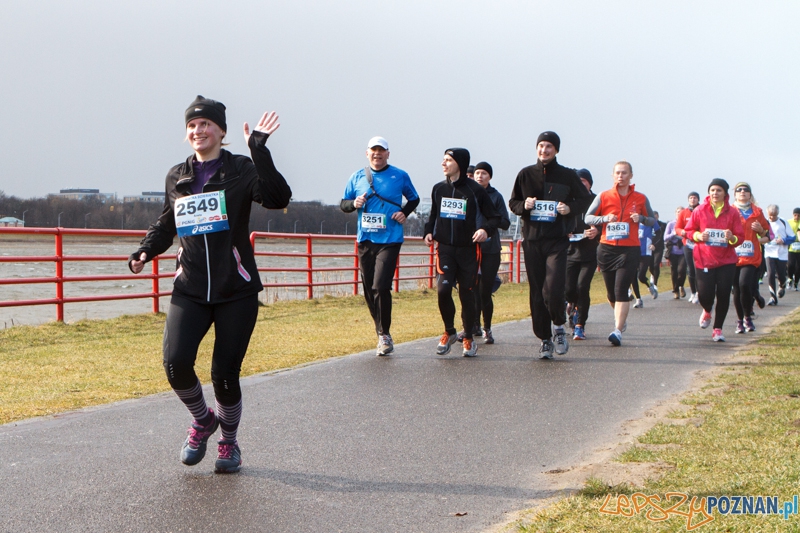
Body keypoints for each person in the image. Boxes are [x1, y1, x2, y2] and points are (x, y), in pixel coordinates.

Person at [128, 96, 292, 473]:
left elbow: (278, 197)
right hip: (190, 287)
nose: (197, 131)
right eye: (191, 126)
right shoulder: (177, 175)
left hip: (235, 288)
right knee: (176, 363)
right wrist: (145, 251)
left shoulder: (241, 169)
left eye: (205, 125)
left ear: (221, 131)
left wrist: (259, 151)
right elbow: (167, 224)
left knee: (223, 374)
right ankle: (203, 420)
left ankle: (229, 443)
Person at [508, 131, 591, 359]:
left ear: (556, 150)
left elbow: (586, 199)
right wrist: (524, 205)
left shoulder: (567, 175)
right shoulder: (525, 174)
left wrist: (570, 209)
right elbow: (512, 202)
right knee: (537, 292)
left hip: (557, 240)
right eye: (541, 146)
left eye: (549, 147)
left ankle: (559, 327)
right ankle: (544, 339)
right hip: (532, 240)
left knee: (553, 289)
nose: (544, 150)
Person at [340, 137, 420, 356]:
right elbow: (343, 203)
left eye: (381, 151)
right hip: (365, 239)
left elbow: (414, 198)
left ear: (388, 154)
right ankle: (380, 331)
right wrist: (353, 204)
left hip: (390, 239)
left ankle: (384, 334)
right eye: (374, 151)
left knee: (380, 285)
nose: (377, 154)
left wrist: (404, 213)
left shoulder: (400, 175)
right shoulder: (357, 177)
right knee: (369, 288)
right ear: (367, 153)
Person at [424, 148, 500, 357]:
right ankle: (449, 331)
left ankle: (467, 337)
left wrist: (485, 230)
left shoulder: (475, 191)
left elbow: (494, 218)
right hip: (446, 249)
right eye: (443, 159)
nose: (443, 163)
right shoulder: (438, 189)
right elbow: (433, 215)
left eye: (448, 160)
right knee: (443, 290)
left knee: (467, 295)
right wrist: (428, 231)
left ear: (460, 163)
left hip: (468, 250)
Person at [584, 161, 656, 346]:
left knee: (621, 290)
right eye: (617, 173)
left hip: (629, 249)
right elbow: (588, 217)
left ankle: (617, 330)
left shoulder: (640, 198)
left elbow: (651, 221)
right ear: (612, 175)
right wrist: (604, 219)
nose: (620, 176)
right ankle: (620, 319)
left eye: (624, 173)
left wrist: (640, 218)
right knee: (611, 294)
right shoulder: (604, 196)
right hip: (607, 248)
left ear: (631, 175)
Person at [684, 179, 745, 341]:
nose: (715, 193)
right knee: (705, 295)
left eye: (718, 190)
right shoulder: (699, 210)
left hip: (727, 260)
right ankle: (707, 310)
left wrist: (732, 238)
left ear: (725, 193)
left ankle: (718, 329)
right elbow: (689, 230)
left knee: (724, 294)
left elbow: (740, 237)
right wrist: (698, 235)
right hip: (704, 259)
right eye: (712, 190)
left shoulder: (732, 212)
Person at [464, 161, 511, 344]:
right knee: (469, 289)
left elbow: (505, 222)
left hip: (490, 249)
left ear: (489, 176)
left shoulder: (496, 196)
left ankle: (487, 328)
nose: (479, 176)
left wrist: (488, 224)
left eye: (484, 173)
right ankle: (471, 326)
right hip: (469, 248)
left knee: (484, 291)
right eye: (477, 173)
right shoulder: (467, 193)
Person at [564, 168, 599, 341]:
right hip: (570, 251)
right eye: (578, 181)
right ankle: (572, 304)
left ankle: (580, 325)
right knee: (569, 289)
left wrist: (597, 230)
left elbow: (607, 221)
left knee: (582, 287)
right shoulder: (569, 200)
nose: (580, 184)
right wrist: (566, 231)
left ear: (589, 183)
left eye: (583, 181)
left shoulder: (597, 200)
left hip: (590, 252)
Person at [730, 182, 769, 333]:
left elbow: (768, 235)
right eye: (739, 190)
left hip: (751, 257)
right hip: (732, 256)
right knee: (737, 289)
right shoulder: (730, 211)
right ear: (735, 194)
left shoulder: (757, 212)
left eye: (746, 190)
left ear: (750, 194)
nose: (742, 192)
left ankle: (748, 317)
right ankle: (740, 321)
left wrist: (760, 230)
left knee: (745, 284)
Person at [764, 204, 796, 305]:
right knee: (770, 274)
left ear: (778, 213)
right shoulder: (765, 223)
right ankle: (773, 298)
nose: (772, 217)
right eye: (770, 215)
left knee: (781, 275)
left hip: (781, 253)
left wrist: (783, 240)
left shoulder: (783, 222)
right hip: (769, 252)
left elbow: (793, 237)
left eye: (774, 215)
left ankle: (782, 285)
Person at [675, 192, 701, 303]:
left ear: (698, 199)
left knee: (698, 269)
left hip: (700, 244)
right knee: (690, 269)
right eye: (691, 197)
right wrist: (682, 232)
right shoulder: (683, 213)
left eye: (695, 198)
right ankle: (693, 292)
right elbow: (677, 228)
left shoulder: (702, 210)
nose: (693, 199)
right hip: (688, 244)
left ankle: (700, 292)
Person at [664, 206, 687, 298]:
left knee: (682, 270)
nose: (679, 213)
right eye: (678, 212)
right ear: (675, 213)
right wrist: (673, 234)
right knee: (674, 271)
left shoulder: (687, 223)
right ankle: (676, 290)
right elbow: (665, 238)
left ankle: (681, 285)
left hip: (683, 250)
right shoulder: (671, 224)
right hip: (673, 250)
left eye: (681, 212)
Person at [788, 208, 800, 290]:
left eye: (799, 215)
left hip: (799, 247)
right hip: (791, 247)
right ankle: (790, 279)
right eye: (795, 215)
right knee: (791, 264)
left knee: (798, 267)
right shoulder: (789, 222)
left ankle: (796, 282)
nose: (797, 217)